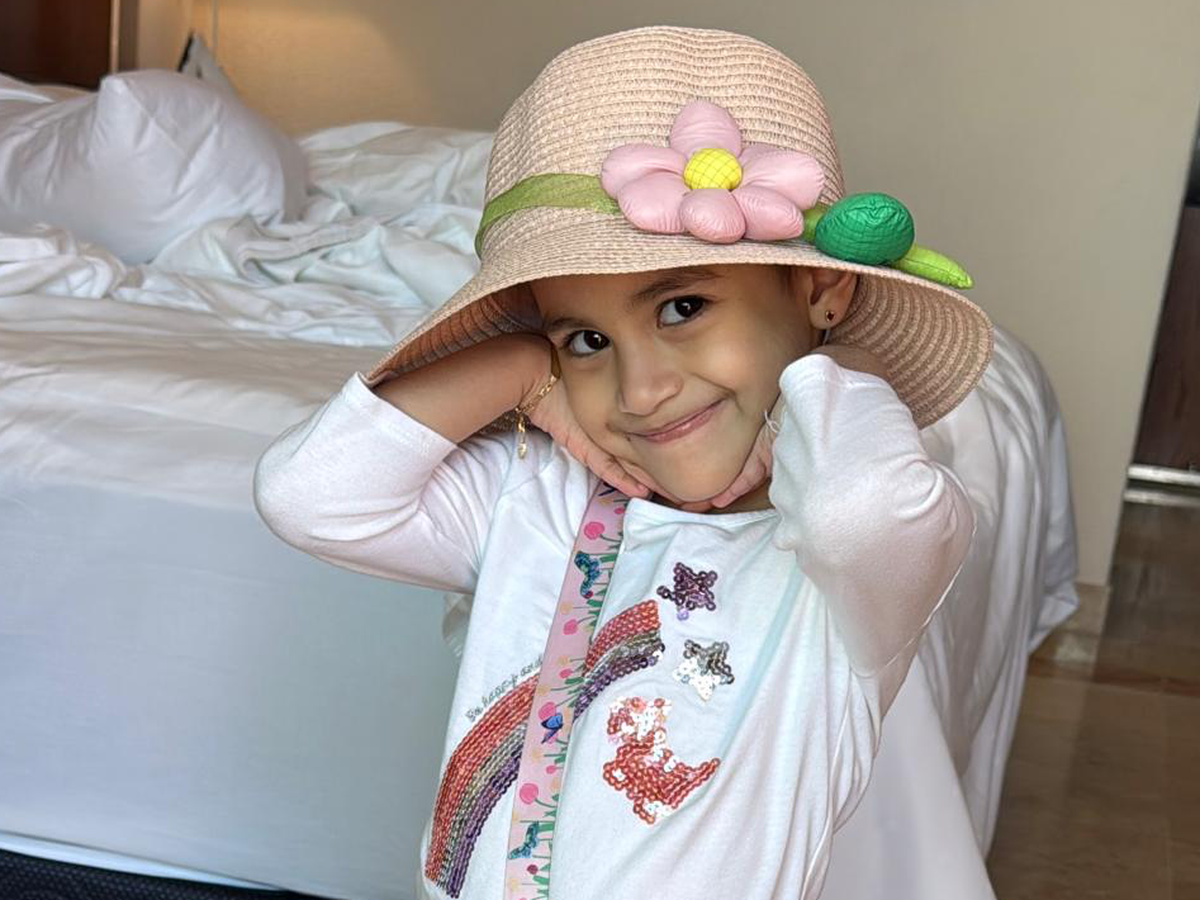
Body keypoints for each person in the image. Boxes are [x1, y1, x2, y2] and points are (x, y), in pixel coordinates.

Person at [253, 25, 992, 900]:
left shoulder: (849, 582)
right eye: (587, 339)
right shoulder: (535, 493)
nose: (640, 391)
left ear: (823, 290)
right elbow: (310, 496)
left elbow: (860, 511)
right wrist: (524, 369)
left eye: (682, 307)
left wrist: (835, 368)